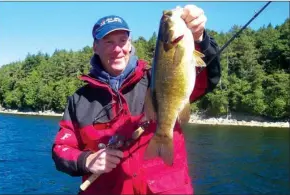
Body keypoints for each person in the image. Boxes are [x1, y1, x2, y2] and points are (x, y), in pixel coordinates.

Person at [52, 4, 221, 195]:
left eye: (122, 40)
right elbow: (61, 149)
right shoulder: (79, 100)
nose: (117, 49)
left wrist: (200, 39)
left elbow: (207, 79)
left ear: (130, 44)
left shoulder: (155, 78)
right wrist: (86, 161)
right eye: (108, 42)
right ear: (95, 47)